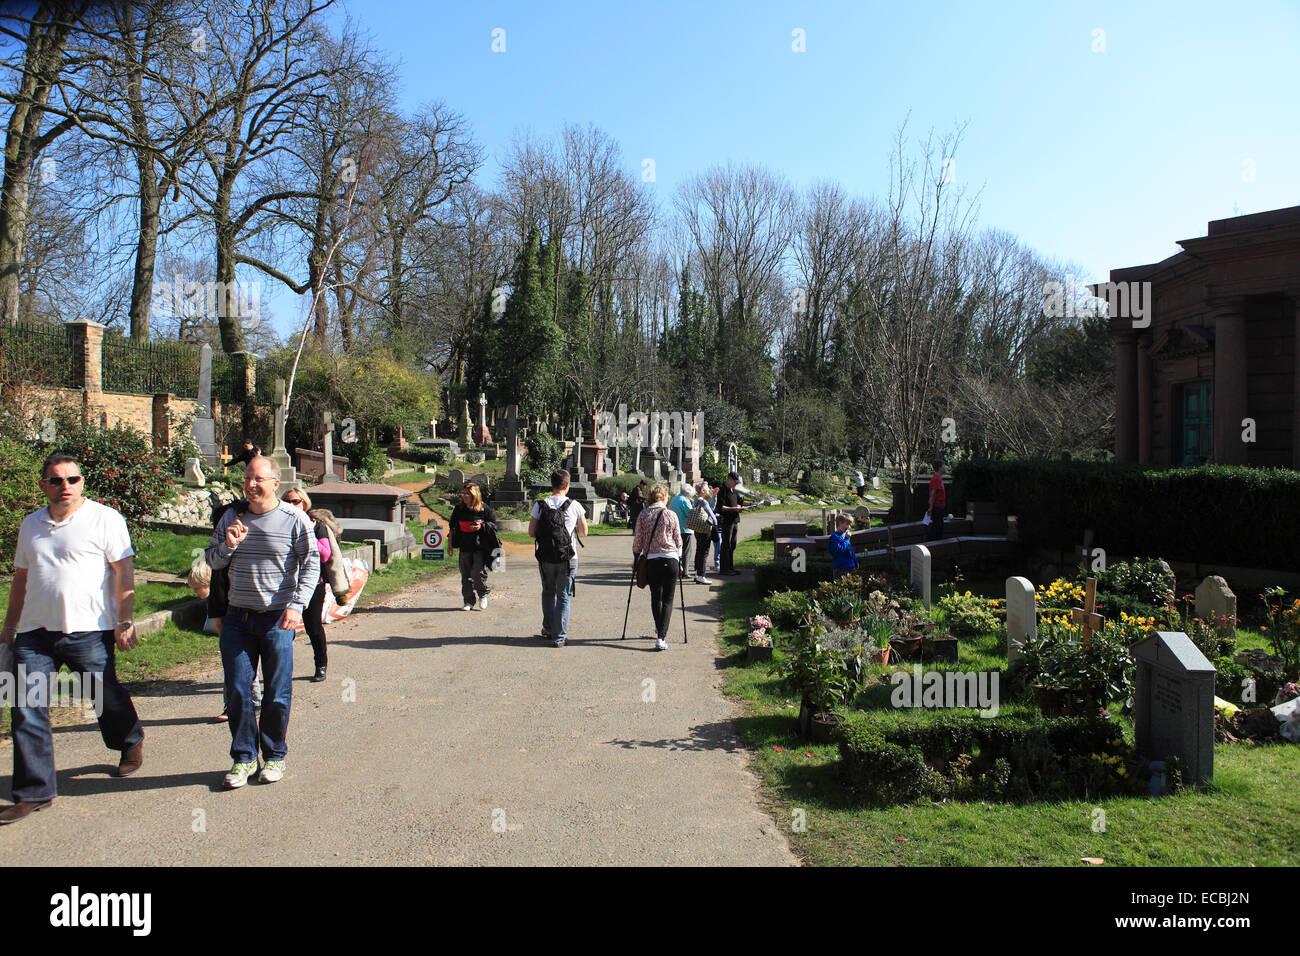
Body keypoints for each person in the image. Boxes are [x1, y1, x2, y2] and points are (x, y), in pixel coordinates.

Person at [0, 452, 145, 825]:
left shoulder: (104, 518)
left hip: (89, 629)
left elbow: (123, 570)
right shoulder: (30, 525)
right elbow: (20, 578)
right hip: (34, 633)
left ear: (82, 482)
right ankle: (34, 792)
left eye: (73, 479)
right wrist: (9, 627)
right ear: (43, 485)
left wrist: (124, 619)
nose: (66, 486)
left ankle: (129, 740)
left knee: (104, 694)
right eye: (57, 480)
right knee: (25, 706)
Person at [205, 456, 319, 789]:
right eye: (247, 478)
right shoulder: (231, 516)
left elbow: (311, 566)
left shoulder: (295, 519)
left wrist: (297, 606)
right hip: (237, 618)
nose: (251, 485)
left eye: (259, 479)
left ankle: (274, 756)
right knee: (238, 692)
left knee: (277, 694)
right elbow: (211, 560)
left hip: (276, 619)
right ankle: (243, 758)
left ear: (275, 483)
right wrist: (228, 544)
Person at [283, 487, 337, 682]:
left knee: (312, 625)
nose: (291, 505)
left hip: (314, 583)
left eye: (295, 501)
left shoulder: (316, 525)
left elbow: (325, 554)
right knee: (283, 630)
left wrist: (307, 536)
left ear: (304, 503)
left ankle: (320, 665)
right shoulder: (279, 524)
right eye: (287, 501)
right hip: (285, 583)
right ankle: (281, 671)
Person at [528, 469, 587, 647]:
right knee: (563, 596)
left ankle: (547, 628)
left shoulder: (540, 505)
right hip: (568, 558)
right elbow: (584, 532)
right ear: (567, 485)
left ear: (551, 484)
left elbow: (531, 532)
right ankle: (559, 636)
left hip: (545, 557)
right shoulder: (574, 505)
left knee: (547, 592)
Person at [632, 483, 683, 651]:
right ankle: (661, 637)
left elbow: (638, 541)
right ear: (663, 497)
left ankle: (658, 626)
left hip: (652, 560)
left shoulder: (643, 515)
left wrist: (636, 557)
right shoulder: (670, 514)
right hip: (670, 559)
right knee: (668, 600)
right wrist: (680, 558)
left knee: (656, 596)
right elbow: (678, 540)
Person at [448, 483, 496, 612]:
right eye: (463, 493)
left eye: (467, 493)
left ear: (474, 495)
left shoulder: (484, 509)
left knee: (476, 572)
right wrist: (450, 546)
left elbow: (494, 525)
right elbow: (452, 527)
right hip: (464, 546)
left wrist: (481, 526)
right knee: (465, 576)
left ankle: (483, 593)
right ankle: (468, 601)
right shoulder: (459, 509)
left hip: (480, 547)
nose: (464, 496)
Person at [716, 471, 747, 575]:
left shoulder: (733, 490)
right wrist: (734, 509)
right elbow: (720, 507)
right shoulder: (722, 490)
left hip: (734, 520)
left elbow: (740, 502)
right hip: (726, 521)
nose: (736, 484)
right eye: (735, 481)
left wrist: (752, 504)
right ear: (729, 479)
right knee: (726, 545)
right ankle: (724, 569)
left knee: (732, 545)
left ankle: (730, 567)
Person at [688, 481, 718, 584]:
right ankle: (702, 575)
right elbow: (712, 514)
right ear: (703, 491)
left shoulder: (697, 499)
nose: (709, 489)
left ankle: (698, 574)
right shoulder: (703, 501)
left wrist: (714, 496)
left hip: (698, 528)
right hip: (705, 529)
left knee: (699, 551)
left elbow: (711, 508)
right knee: (704, 553)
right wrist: (715, 522)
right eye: (707, 488)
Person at [668, 483, 696, 581]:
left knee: (676, 550)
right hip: (685, 528)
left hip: (674, 528)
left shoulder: (674, 499)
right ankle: (685, 572)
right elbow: (690, 514)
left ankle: (676, 570)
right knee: (686, 551)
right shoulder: (685, 500)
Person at [827, 514, 858, 580]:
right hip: (840, 568)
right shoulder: (835, 537)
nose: (849, 527)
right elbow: (840, 550)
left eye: (850, 525)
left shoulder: (845, 534)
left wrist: (855, 563)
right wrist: (847, 538)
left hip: (850, 566)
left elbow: (850, 550)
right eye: (847, 524)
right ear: (840, 523)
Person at [926, 460, 946, 542]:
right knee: (937, 527)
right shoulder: (936, 479)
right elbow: (933, 493)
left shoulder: (939, 479)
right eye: (944, 466)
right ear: (940, 468)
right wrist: (931, 507)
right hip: (937, 507)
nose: (945, 467)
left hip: (940, 506)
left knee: (938, 526)